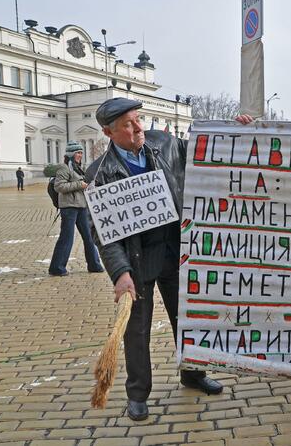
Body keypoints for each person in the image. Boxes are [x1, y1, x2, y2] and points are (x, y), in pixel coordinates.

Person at [85, 98, 227, 421]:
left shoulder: (165, 144)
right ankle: (137, 393)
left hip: (176, 251)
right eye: (128, 125)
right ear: (109, 132)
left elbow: (210, 150)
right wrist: (120, 273)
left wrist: (239, 130)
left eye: (138, 119)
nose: (138, 128)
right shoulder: (100, 173)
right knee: (137, 331)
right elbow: (103, 234)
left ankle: (193, 374)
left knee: (187, 321)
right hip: (138, 261)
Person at [48, 142, 104, 277]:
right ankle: (57, 267)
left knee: (89, 237)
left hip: (81, 207)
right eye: (77, 153)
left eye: (81, 153)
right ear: (70, 154)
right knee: (67, 238)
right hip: (69, 208)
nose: (80, 155)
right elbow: (59, 186)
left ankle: (94, 265)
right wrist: (80, 184)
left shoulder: (79, 168)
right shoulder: (64, 168)